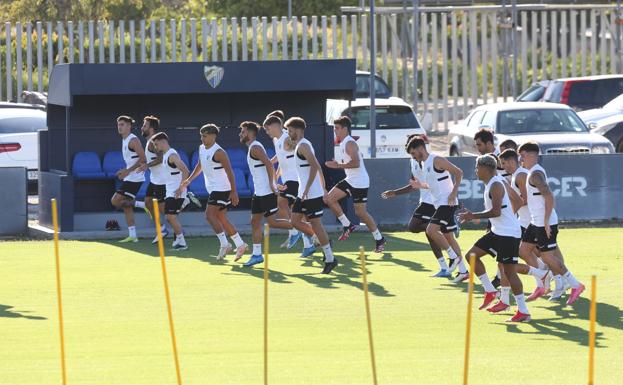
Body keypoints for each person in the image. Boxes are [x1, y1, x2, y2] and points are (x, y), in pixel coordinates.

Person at [458, 155, 531, 322]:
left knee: (509, 273)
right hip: (498, 232)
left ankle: (524, 311)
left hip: (508, 235)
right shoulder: (493, 182)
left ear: (486, 168)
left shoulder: (496, 184)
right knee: (471, 256)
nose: (476, 170)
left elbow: (497, 212)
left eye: (477, 167)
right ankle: (491, 291)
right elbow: (516, 203)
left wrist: (472, 216)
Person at [518, 142, 585, 304]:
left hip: (544, 223)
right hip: (536, 222)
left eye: (523, 156)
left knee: (548, 257)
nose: (521, 159)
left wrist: (547, 222)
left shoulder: (535, 174)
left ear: (532, 155)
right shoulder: (532, 172)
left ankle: (575, 285)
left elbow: (549, 196)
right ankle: (543, 283)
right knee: (524, 251)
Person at [382, 134, 447, 276]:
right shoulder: (413, 161)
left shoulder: (430, 160)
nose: (412, 153)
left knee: (413, 227)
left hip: (432, 200)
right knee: (430, 235)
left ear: (419, 148)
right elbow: (414, 185)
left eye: (413, 149)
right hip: (425, 200)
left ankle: (440, 227)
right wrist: (395, 193)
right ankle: (444, 268)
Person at [406, 136, 469, 282]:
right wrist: (419, 186)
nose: (413, 157)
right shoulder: (424, 164)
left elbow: (458, 172)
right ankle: (463, 271)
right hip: (439, 204)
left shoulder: (436, 159)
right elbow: (431, 185)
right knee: (449, 237)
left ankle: (453, 258)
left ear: (421, 148)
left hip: (447, 203)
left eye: (414, 153)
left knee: (431, 230)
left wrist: (454, 192)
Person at [181, 124, 247, 260]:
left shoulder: (219, 152)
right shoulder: (201, 148)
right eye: (201, 136)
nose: (202, 139)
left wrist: (234, 191)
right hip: (213, 189)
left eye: (204, 136)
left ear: (213, 136)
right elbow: (200, 166)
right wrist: (189, 180)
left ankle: (225, 244)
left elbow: (230, 172)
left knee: (209, 215)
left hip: (222, 188)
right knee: (221, 218)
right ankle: (240, 244)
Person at [285, 116, 339, 274]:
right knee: (295, 221)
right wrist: (322, 187)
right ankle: (322, 239)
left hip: (310, 193)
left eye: (289, 130)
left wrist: (312, 188)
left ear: (297, 130)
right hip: (304, 192)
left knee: (316, 224)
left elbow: (315, 166)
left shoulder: (303, 146)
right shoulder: (300, 145)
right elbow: (317, 167)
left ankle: (330, 258)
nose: (289, 133)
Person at [325, 116, 386, 252]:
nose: (335, 130)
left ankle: (379, 238)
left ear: (345, 128)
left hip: (360, 182)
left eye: (337, 128)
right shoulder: (343, 143)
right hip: (350, 179)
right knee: (329, 199)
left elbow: (356, 163)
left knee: (361, 213)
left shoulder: (350, 143)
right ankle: (347, 225)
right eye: (334, 128)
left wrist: (337, 166)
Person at [499, 148, 554, 301]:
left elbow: (526, 199)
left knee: (535, 254)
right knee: (533, 254)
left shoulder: (521, 175)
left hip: (529, 221)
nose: (503, 167)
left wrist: (510, 209)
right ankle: (545, 278)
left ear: (511, 161)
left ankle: (549, 279)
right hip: (525, 221)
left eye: (504, 163)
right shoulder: (517, 175)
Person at [240, 121, 296, 267]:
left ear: (251, 133)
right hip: (258, 193)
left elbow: (269, 164)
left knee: (273, 222)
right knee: (255, 222)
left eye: (243, 131)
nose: (241, 134)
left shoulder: (256, 147)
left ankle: (301, 228)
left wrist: (272, 184)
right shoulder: (252, 147)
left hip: (266, 192)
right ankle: (257, 255)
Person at [263, 113, 313, 252]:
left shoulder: (286, 138)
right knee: (296, 213)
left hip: (295, 179)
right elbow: (281, 159)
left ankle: (294, 232)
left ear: (275, 126)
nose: (267, 132)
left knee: (281, 203)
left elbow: (300, 146)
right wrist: (275, 175)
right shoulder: (277, 140)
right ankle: (309, 244)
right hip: (288, 180)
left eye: (267, 129)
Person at [151, 132, 190, 251]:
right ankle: (180, 240)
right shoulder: (165, 155)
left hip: (176, 191)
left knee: (170, 217)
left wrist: (181, 188)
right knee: (169, 217)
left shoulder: (172, 155)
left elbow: (186, 171)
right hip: (170, 191)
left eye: (157, 144)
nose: (156, 148)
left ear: (163, 141)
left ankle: (181, 242)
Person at [111, 115, 146, 243]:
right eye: (119, 124)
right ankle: (133, 235)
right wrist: (125, 170)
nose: (120, 127)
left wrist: (127, 171)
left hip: (135, 178)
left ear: (129, 126)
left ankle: (142, 204)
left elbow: (143, 159)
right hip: (130, 177)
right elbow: (132, 160)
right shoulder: (124, 140)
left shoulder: (133, 140)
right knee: (126, 206)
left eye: (123, 124)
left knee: (115, 201)